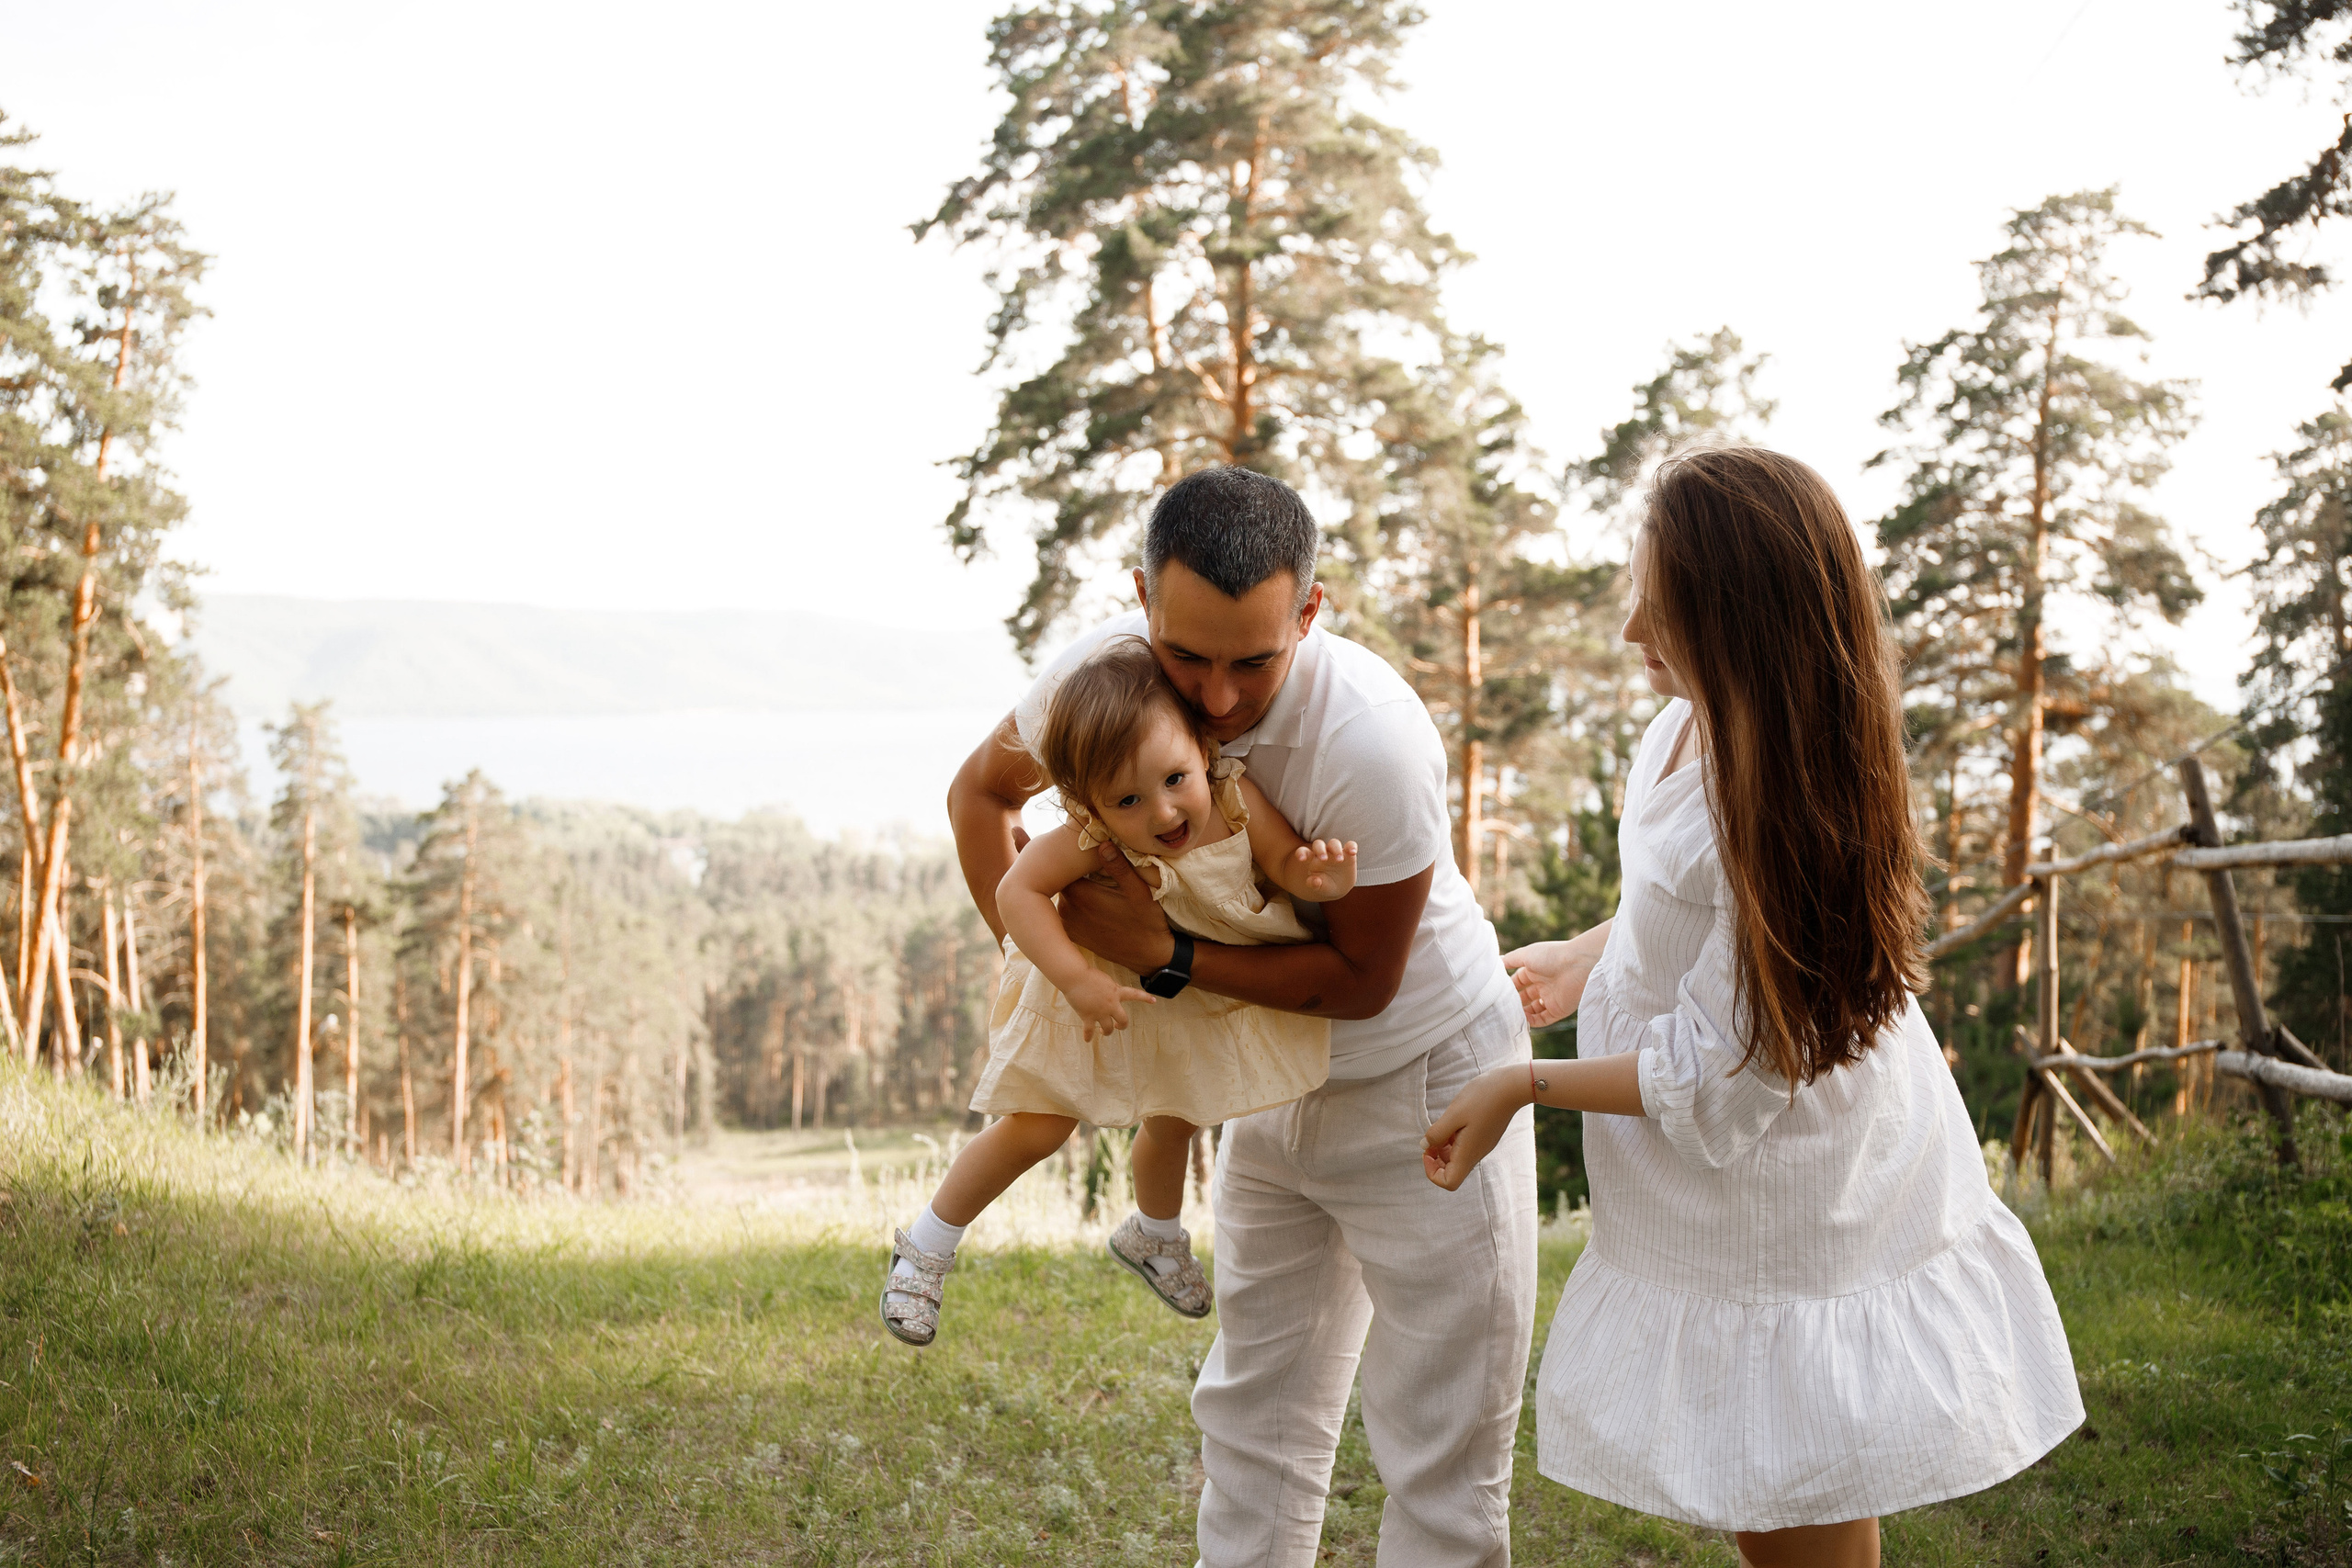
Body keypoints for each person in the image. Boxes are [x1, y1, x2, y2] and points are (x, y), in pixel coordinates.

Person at [1421, 446, 2083, 1568]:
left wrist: (1518, 1086)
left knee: (1792, 1470)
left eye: (1660, 607)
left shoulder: (1780, 802)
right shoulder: (1680, 726)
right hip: (1713, 1177)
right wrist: (1590, 959)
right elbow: (1674, 912)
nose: (1632, 630)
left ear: (1738, 625)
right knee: (1752, 1460)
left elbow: (1720, 1076)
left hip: (1785, 1180)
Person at [945, 466, 1535, 1567]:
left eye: (1253, 661)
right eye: (1188, 657)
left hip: (1427, 1076)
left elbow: (1359, 980)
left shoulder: (1371, 739)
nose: (1215, 700)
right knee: (1254, 1420)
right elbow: (980, 797)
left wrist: (1160, 957)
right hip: (1260, 1074)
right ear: (1142, 599)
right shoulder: (1101, 681)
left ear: (1309, 613)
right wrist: (1050, 975)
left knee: (1441, 1450)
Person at [882, 635, 1360, 1344]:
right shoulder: (1091, 834)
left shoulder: (1232, 798)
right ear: (1088, 803)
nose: (1164, 814)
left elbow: (1285, 860)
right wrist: (1074, 981)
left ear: (1200, 747)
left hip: (1183, 984)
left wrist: (1318, 875)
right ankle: (925, 1247)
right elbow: (1018, 891)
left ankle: (1154, 1233)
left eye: (1173, 779)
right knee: (1040, 1123)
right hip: (1095, 987)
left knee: (1178, 1113)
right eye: (1129, 799)